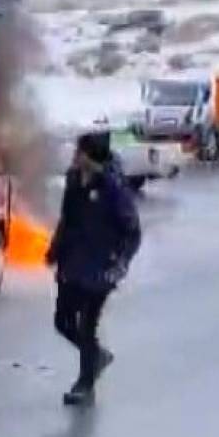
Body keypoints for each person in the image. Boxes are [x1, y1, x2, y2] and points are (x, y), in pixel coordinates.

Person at [46, 130, 141, 406]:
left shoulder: (114, 188)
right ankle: (96, 356)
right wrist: (55, 249)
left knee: (87, 327)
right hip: (73, 262)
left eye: (80, 152)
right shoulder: (74, 179)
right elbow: (68, 218)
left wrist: (120, 263)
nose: (75, 156)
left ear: (91, 157)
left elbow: (132, 231)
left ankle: (84, 383)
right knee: (62, 322)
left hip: (101, 268)